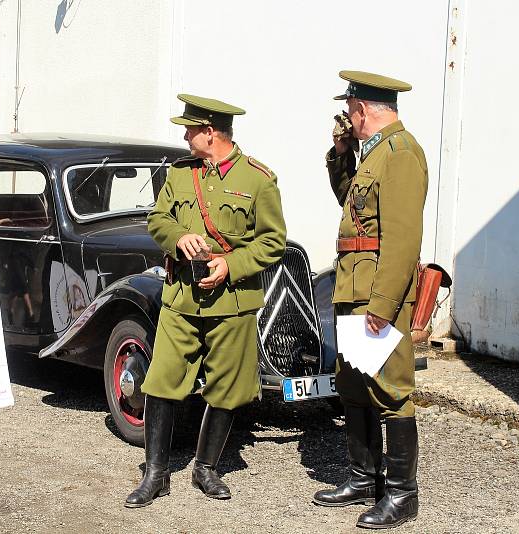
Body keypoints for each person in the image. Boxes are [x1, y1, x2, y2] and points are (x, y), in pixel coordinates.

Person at [125, 94, 286, 508]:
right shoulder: (181, 175)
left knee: (228, 388)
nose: (184, 135)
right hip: (181, 298)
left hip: (232, 301)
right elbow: (157, 219)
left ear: (210, 133)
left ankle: (206, 467)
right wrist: (178, 238)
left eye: (190, 129)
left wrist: (231, 264)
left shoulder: (258, 180)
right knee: (161, 382)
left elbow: (273, 242)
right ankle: (156, 474)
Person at [312, 71, 427, 530]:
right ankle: (364, 478)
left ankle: (402, 495)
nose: (348, 119)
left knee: (392, 391)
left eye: (350, 111)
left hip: (376, 294)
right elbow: (352, 208)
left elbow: (402, 239)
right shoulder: (373, 155)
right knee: (356, 384)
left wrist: (382, 304)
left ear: (362, 110)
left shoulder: (401, 154)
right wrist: (341, 157)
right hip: (353, 290)